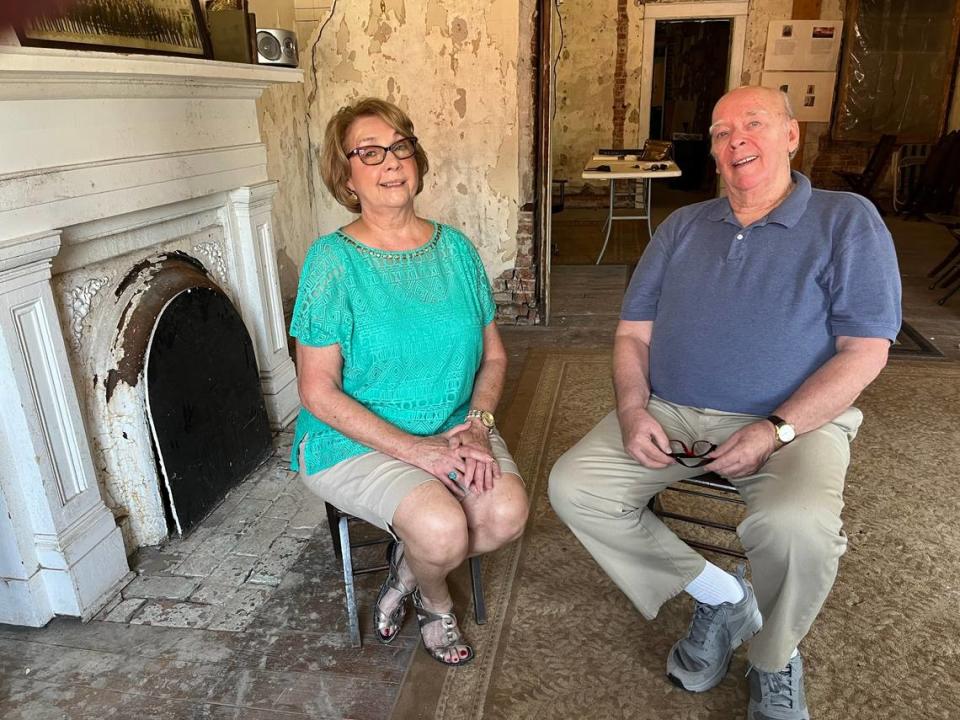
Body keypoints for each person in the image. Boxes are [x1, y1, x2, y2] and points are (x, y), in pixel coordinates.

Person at [549, 86, 901, 719]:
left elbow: (865, 350)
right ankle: (722, 596)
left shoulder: (847, 220)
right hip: (674, 410)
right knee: (575, 486)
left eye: (753, 123)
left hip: (796, 422)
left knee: (797, 528)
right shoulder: (682, 227)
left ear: (792, 137)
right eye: (719, 131)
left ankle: (773, 656)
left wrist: (775, 429)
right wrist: (633, 410)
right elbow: (632, 334)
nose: (735, 139)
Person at [289, 98, 528, 666]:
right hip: (352, 439)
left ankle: (404, 569)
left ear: (415, 159)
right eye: (369, 152)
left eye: (399, 146)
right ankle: (436, 602)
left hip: (453, 426)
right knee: (443, 530)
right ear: (346, 175)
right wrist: (417, 452)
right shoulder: (331, 262)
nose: (390, 161)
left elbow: (493, 358)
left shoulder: (457, 251)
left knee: (504, 515)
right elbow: (316, 391)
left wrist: (478, 424)